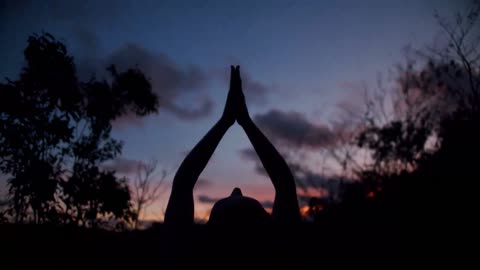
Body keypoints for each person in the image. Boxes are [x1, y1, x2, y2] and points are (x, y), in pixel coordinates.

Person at [164, 66, 300, 226]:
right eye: (241, 196)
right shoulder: (278, 248)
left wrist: (226, 121)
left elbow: (183, 184)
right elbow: (285, 185)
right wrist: (245, 121)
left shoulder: (188, 250)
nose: (237, 189)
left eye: (231, 196)